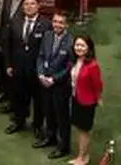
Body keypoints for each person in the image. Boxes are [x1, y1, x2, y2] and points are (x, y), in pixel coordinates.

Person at [5, 0, 49, 137]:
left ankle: (37, 125)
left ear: (38, 6)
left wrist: (45, 70)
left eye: (32, 4)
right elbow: (8, 45)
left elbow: (47, 50)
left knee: (38, 99)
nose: (29, 7)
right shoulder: (15, 21)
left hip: (37, 69)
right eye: (26, 4)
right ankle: (19, 121)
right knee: (19, 95)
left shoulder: (46, 24)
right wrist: (9, 64)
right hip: (18, 67)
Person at [36, 11, 73, 159]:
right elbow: (40, 56)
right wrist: (40, 74)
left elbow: (70, 67)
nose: (57, 25)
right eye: (55, 21)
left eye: (60, 22)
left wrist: (54, 79)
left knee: (61, 116)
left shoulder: (71, 41)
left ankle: (63, 146)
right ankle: (49, 137)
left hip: (60, 86)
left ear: (66, 25)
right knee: (48, 112)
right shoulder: (47, 35)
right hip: (44, 81)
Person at [0, 0, 30, 110]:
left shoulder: (29, 2)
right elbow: (3, 20)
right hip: (6, 41)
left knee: (16, 77)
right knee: (5, 69)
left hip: (19, 46)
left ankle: (14, 104)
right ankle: (6, 95)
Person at [70, 36, 103, 165]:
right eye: (77, 45)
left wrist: (98, 98)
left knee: (84, 130)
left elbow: (98, 84)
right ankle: (83, 155)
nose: (79, 48)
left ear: (89, 48)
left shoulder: (93, 65)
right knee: (80, 128)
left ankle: (82, 158)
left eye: (82, 45)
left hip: (87, 102)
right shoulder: (76, 60)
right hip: (76, 98)